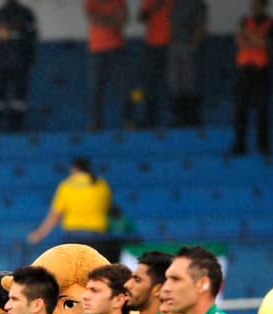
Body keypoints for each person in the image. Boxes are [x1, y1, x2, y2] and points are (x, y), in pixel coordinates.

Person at [27, 158, 113, 254]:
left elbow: (55, 215)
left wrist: (40, 233)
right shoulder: (102, 185)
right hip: (97, 235)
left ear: (74, 169)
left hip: (73, 236)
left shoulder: (67, 186)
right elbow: (107, 207)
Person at [231, 0, 273, 156]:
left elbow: (266, 44)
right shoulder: (244, 20)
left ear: (264, 5)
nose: (254, 7)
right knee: (240, 110)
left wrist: (249, 36)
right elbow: (239, 42)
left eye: (257, 4)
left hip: (261, 71)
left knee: (262, 109)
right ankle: (239, 145)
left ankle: (263, 146)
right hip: (244, 70)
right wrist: (256, 39)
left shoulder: (272, 23)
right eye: (253, 4)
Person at [0, 0, 37, 133]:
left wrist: (29, 59)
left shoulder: (26, 13)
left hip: (21, 62)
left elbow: (32, 37)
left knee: (19, 98)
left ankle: (16, 127)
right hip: (1, 63)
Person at [84, 0, 132, 131]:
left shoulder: (119, 1)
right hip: (97, 49)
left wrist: (103, 19)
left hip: (118, 48)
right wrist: (112, 20)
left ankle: (128, 120)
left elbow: (123, 20)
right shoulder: (91, 1)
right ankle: (95, 122)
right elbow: (92, 18)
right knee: (96, 88)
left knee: (124, 86)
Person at [168, 0, 207, 127]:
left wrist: (194, 46)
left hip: (188, 45)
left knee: (190, 82)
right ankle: (179, 117)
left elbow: (201, 26)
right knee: (176, 83)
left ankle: (192, 117)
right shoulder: (175, 4)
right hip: (174, 45)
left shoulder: (198, 4)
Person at [135, 0, 170, 127]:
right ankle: (148, 119)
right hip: (152, 45)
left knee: (173, 84)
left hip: (173, 45)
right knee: (149, 84)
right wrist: (153, 7)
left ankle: (175, 119)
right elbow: (140, 18)